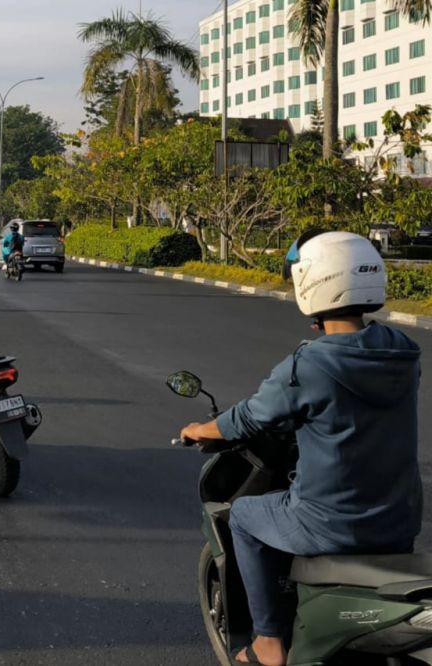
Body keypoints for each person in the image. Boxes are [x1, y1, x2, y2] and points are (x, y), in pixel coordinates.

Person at [179, 231, 422, 666]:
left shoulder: (311, 363)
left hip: (328, 521)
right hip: (399, 520)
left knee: (244, 517)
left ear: (312, 283)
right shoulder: (402, 351)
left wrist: (201, 429)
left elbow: (250, 416)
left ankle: (269, 641)